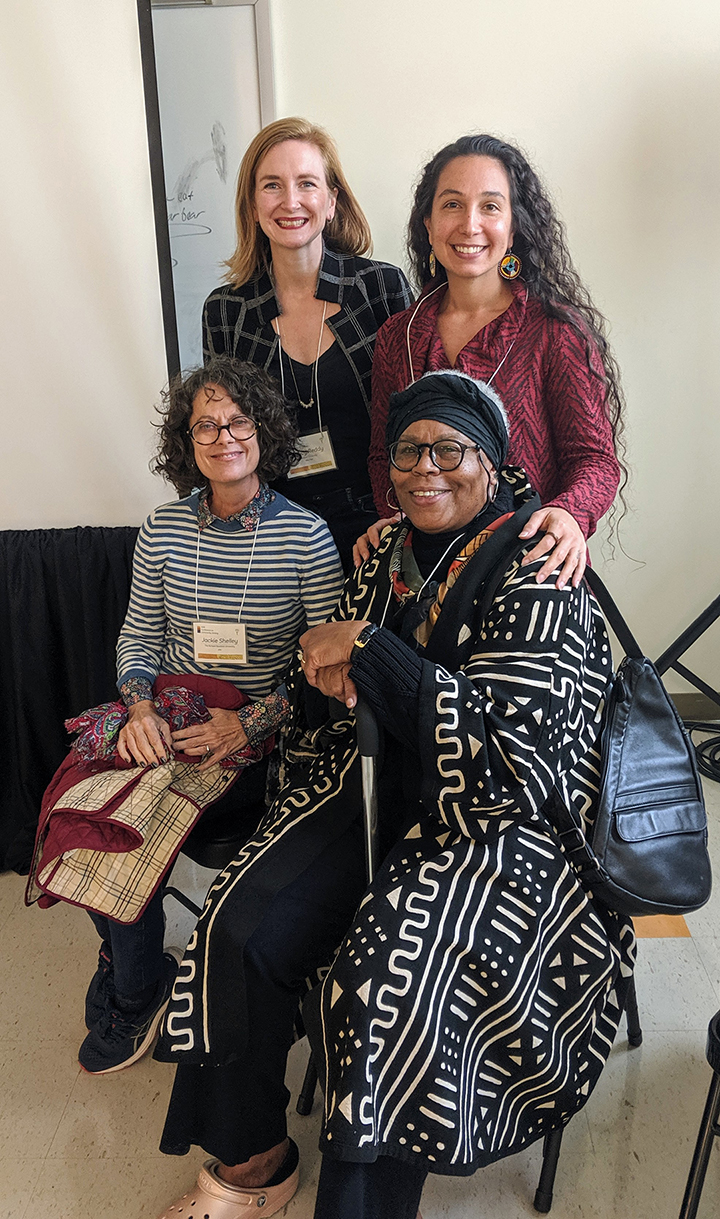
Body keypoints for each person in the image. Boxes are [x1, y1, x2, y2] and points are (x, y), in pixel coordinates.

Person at [154, 371, 634, 1219]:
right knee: (238, 923)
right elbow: (327, 667)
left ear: (491, 461)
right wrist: (329, 663)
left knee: (386, 984)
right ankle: (254, 1159)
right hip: (369, 784)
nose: (426, 468)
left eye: (449, 448)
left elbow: (510, 759)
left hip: (496, 828)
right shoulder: (383, 550)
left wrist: (371, 651)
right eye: (409, 449)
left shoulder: (537, 560)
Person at [27, 357, 343, 1076]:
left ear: (262, 431)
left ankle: (135, 993)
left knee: (125, 833)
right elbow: (137, 637)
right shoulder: (162, 528)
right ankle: (134, 959)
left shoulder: (305, 537)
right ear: (186, 440)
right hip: (163, 711)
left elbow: (325, 668)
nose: (222, 435)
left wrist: (253, 725)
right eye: (205, 423)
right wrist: (137, 706)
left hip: (246, 733)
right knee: (74, 816)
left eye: (236, 420)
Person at [365, 133, 626, 591]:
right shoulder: (397, 337)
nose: (469, 225)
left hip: (525, 578)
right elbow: (381, 456)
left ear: (513, 225)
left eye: (489, 206)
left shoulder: (555, 332)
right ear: (427, 224)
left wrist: (568, 512)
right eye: (451, 204)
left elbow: (595, 459)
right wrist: (389, 524)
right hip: (418, 580)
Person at [202, 116, 412, 569]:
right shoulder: (225, 311)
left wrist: (405, 519)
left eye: (307, 184)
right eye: (272, 185)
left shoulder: (381, 289)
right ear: (253, 205)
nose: (290, 201)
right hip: (272, 533)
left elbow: (417, 416)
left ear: (332, 201)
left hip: (381, 523)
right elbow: (219, 435)